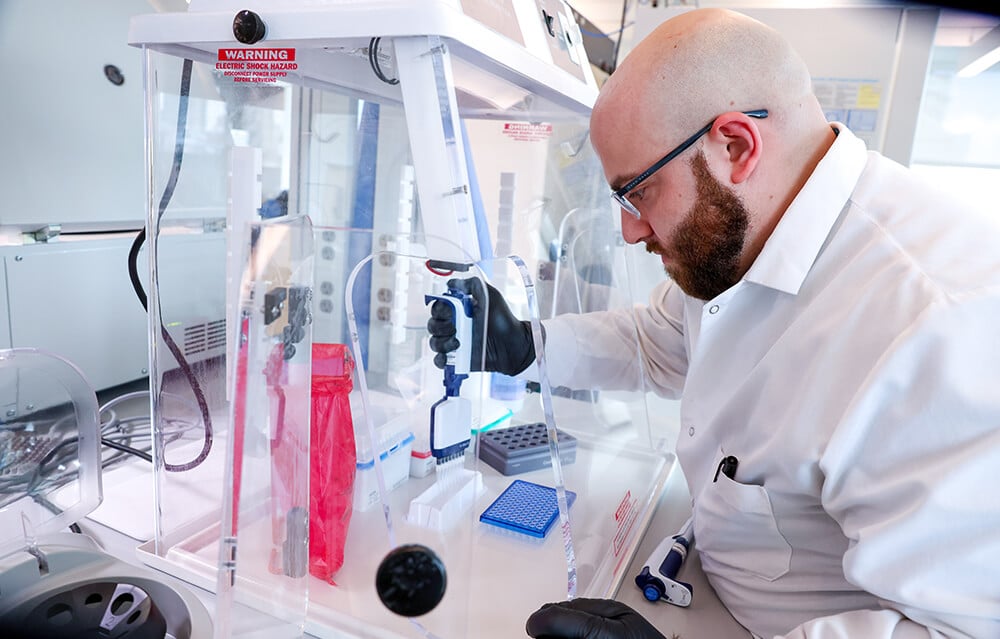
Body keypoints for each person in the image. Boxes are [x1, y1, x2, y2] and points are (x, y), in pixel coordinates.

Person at [427, 6, 1000, 639]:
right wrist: (527, 347)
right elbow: (659, 342)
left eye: (638, 191)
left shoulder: (940, 327)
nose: (629, 230)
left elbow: (958, 630)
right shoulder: (750, 237)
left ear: (735, 147)